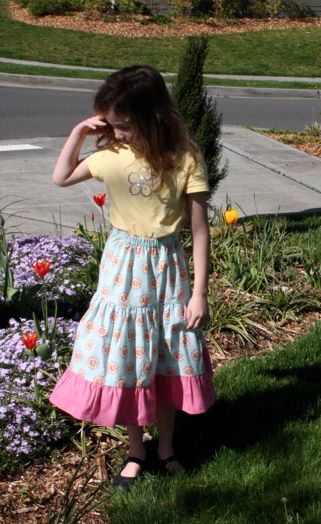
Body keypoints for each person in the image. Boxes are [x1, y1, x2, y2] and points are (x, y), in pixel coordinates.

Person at [49, 65, 215, 491]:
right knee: (129, 357)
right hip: (123, 270)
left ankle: (167, 449)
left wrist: (198, 293)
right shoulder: (111, 156)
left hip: (166, 270)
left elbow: (199, 230)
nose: (118, 132)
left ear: (151, 115)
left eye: (124, 125)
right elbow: (61, 177)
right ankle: (136, 451)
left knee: (164, 356)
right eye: (113, 124)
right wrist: (78, 134)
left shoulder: (184, 159)